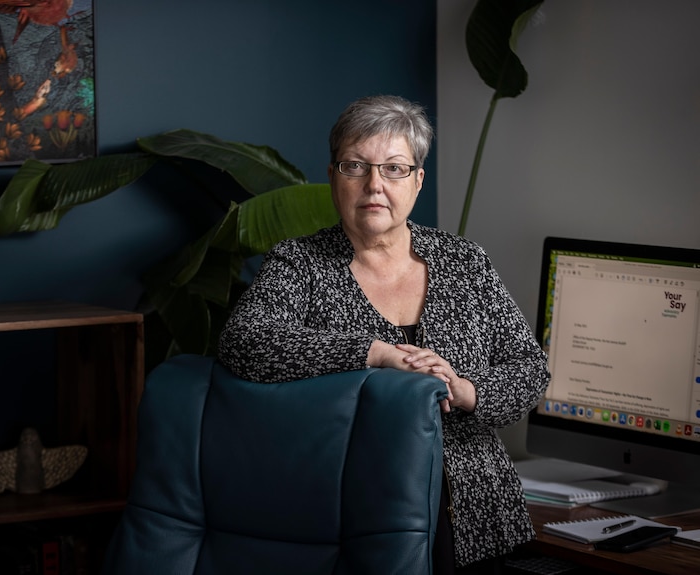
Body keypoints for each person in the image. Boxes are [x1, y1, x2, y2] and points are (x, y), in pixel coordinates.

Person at [217, 94, 550, 574]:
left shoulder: (464, 262)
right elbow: (245, 341)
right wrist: (374, 353)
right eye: (356, 166)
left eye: (394, 169)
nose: (375, 184)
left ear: (417, 181)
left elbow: (529, 367)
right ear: (334, 178)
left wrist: (465, 390)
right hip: (351, 513)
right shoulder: (300, 264)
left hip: (477, 514)